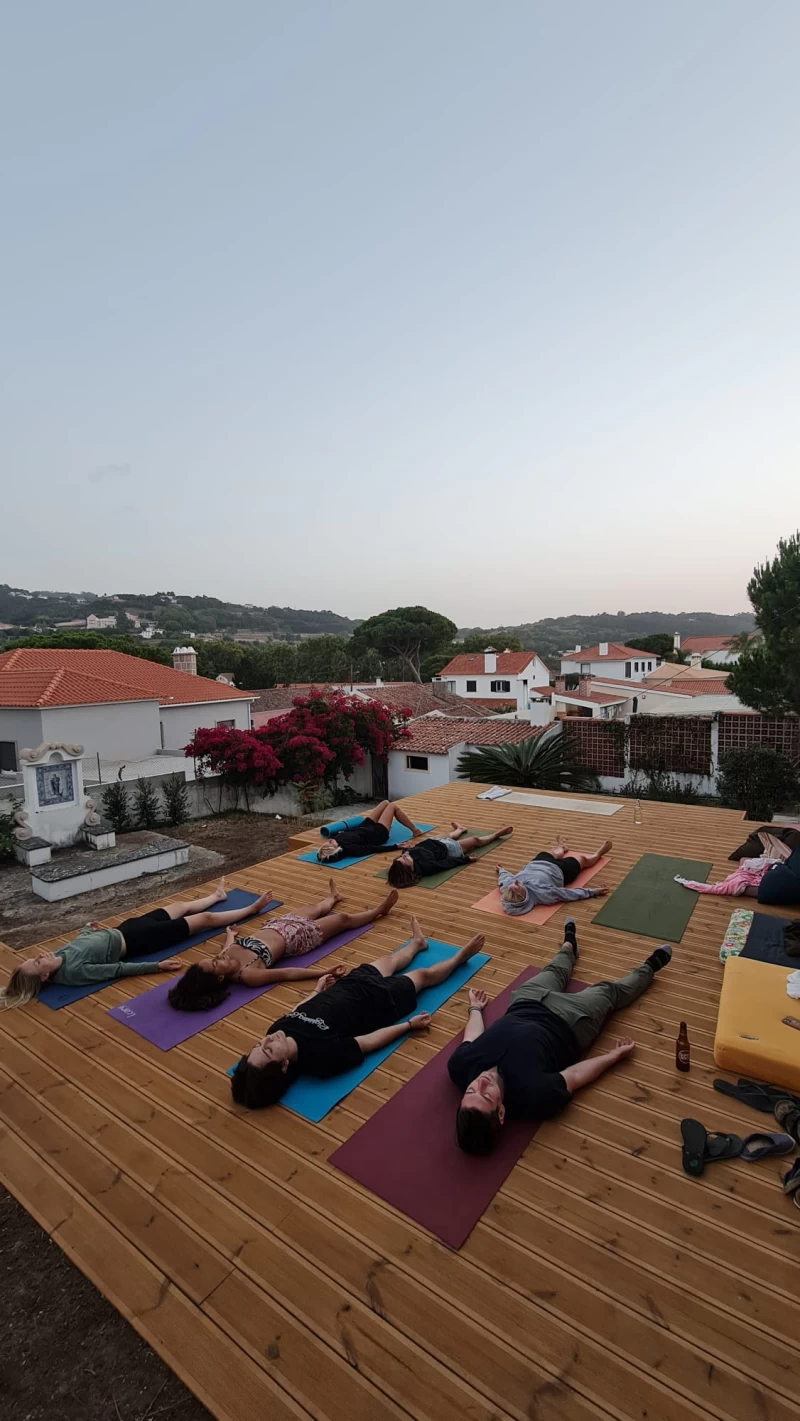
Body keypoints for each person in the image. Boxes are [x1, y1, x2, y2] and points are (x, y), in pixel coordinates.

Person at [448, 919, 672, 1155]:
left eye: (470, 1091)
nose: (481, 1082)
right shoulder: (534, 1096)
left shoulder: (460, 1067)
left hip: (525, 1001)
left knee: (554, 970)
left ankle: (569, 945)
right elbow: (575, 1075)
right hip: (570, 1021)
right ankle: (650, 967)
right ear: (501, 1112)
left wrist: (475, 1008)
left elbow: (472, 1036)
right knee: (608, 991)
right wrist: (614, 1056)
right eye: (486, 1095)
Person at [230, 916, 485, 1109]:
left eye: (258, 1044)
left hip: (350, 985)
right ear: (284, 1066)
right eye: (268, 1050)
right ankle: (459, 958)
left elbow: (296, 1010)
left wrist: (317, 990)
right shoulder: (321, 1059)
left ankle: (418, 943)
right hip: (382, 1002)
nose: (267, 1040)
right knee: (423, 976)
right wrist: (408, 1026)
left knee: (390, 960)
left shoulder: (276, 1031)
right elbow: (366, 1042)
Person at [0, 879, 274, 1011]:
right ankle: (252, 908)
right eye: (37, 962)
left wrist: (86, 928)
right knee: (204, 920)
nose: (38, 955)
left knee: (179, 906)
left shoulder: (58, 955)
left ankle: (216, 896)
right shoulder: (74, 972)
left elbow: (79, 942)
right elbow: (117, 970)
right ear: (44, 976)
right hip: (140, 941)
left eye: (33, 957)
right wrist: (156, 966)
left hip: (127, 928)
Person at [168, 882, 399, 1011]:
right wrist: (323, 972)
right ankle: (380, 910)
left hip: (279, 924)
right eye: (216, 963)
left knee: (316, 908)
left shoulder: (226, 956)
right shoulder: (247, 974)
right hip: (300, 937)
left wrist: (230, 935)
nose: (218, 957)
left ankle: (333, 897)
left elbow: (226, 948)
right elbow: (287, 973)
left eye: (214, 958)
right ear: (220, 978)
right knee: (342, 920)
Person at [496, 838, 611, 914]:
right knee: (582, 859)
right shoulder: (543, 894)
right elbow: (568, 894)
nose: (515, 881)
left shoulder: (507, 887)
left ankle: (562, 848)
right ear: (523, 895)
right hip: (561, 870)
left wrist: (501, 870)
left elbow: (505, 878)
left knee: (550, 852)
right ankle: (598, 853)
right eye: (517, 885)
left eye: (513, 883)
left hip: (537, 863)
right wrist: (593, 892)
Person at [386, 822, 514, 888]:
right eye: (404, 859)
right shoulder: (427, 866)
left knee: (449, 835)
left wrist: (403, 850)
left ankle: (460, 829)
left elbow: (401, 860)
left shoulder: (405, 855)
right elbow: (446, 864)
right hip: (448, 849)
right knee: (475, 840)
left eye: (400, 857)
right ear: (410, 868)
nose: (404, 856)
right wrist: (466, 859)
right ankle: (496, 835)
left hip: (434, 841)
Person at [316, 801, 426, 864]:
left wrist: (323, 852)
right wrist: (395, 846)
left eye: (326, 843)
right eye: (330, 844)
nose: (329, 841)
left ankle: (386, 821)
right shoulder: (351, 848)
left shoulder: (336, 840)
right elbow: (371, 849)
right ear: (336, 850)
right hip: (378, 833)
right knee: (392, 806)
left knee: (385, 803)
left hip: (364, 826)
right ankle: (415, 830)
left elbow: (320, 856)